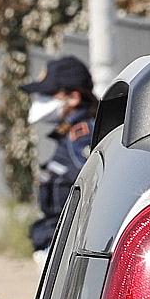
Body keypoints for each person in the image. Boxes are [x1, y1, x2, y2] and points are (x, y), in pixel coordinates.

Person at [21, 55, 95, 261]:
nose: (40, 101)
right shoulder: (70, 133)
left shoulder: (82, 136)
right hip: (59, 243)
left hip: (69, 248)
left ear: (73, 97)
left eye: (49, 95)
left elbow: (92, 189)